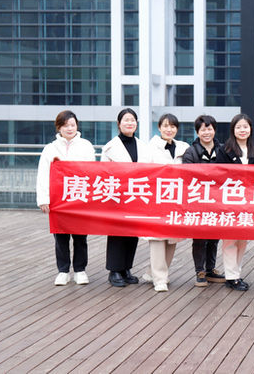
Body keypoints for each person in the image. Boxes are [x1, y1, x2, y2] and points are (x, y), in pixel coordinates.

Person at [36, 110, 96, 286]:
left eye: (72, 125)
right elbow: (43, 174)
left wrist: (91, 198)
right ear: (59, 127)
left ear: (77, 126)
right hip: (58, 199)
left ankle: (80, 270)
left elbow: (92, 172)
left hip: (79, 197)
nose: (69, 128)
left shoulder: (86, 146)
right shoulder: (50, 148)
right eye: (65, 125)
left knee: (80, 236)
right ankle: (63, 271)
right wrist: (43, 199)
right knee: (60, 236)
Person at [101, 108, 152, 287]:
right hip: (116, 197)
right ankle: (114, 270)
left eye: (132, 120)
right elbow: (103, 173)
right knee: (117, 234)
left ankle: (126, 268)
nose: (129, 123)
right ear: (119, 124)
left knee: (132, 234)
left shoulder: (143, 146)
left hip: (136, 196)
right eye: (126, 120)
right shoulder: (110, 147)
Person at [146, 113, 189, 292]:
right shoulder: (150, 148)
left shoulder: (183, 147)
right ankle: (160, 279)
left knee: (172, 239)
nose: (169, 129)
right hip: (157, 199)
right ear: (159, 128)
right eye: (165, 126)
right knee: (157, 238)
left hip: (176, 199)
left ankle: (153, 273)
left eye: (172, 126)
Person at [216, 113, 254, 291]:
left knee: (243, 240)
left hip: (249, 202)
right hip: (230, 201)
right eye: (239, 127)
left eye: (245, 127)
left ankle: (236, 273)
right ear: (233, 130)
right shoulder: (224, 150)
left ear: (251, 129)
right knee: (229, 240)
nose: (242, 130)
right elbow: (219, 175)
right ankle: (231, 276)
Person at [182, 115, 226, 287]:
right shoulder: (190, 152)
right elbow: (187, 176)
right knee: (200, 237)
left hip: (218, 200)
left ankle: (210, 269)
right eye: (203, 129)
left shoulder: (223, 149)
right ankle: (199, 271)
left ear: (214, 130)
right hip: (198, 200)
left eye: (209, 129)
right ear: (197, 132)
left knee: (214, 236)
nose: (206, 132)